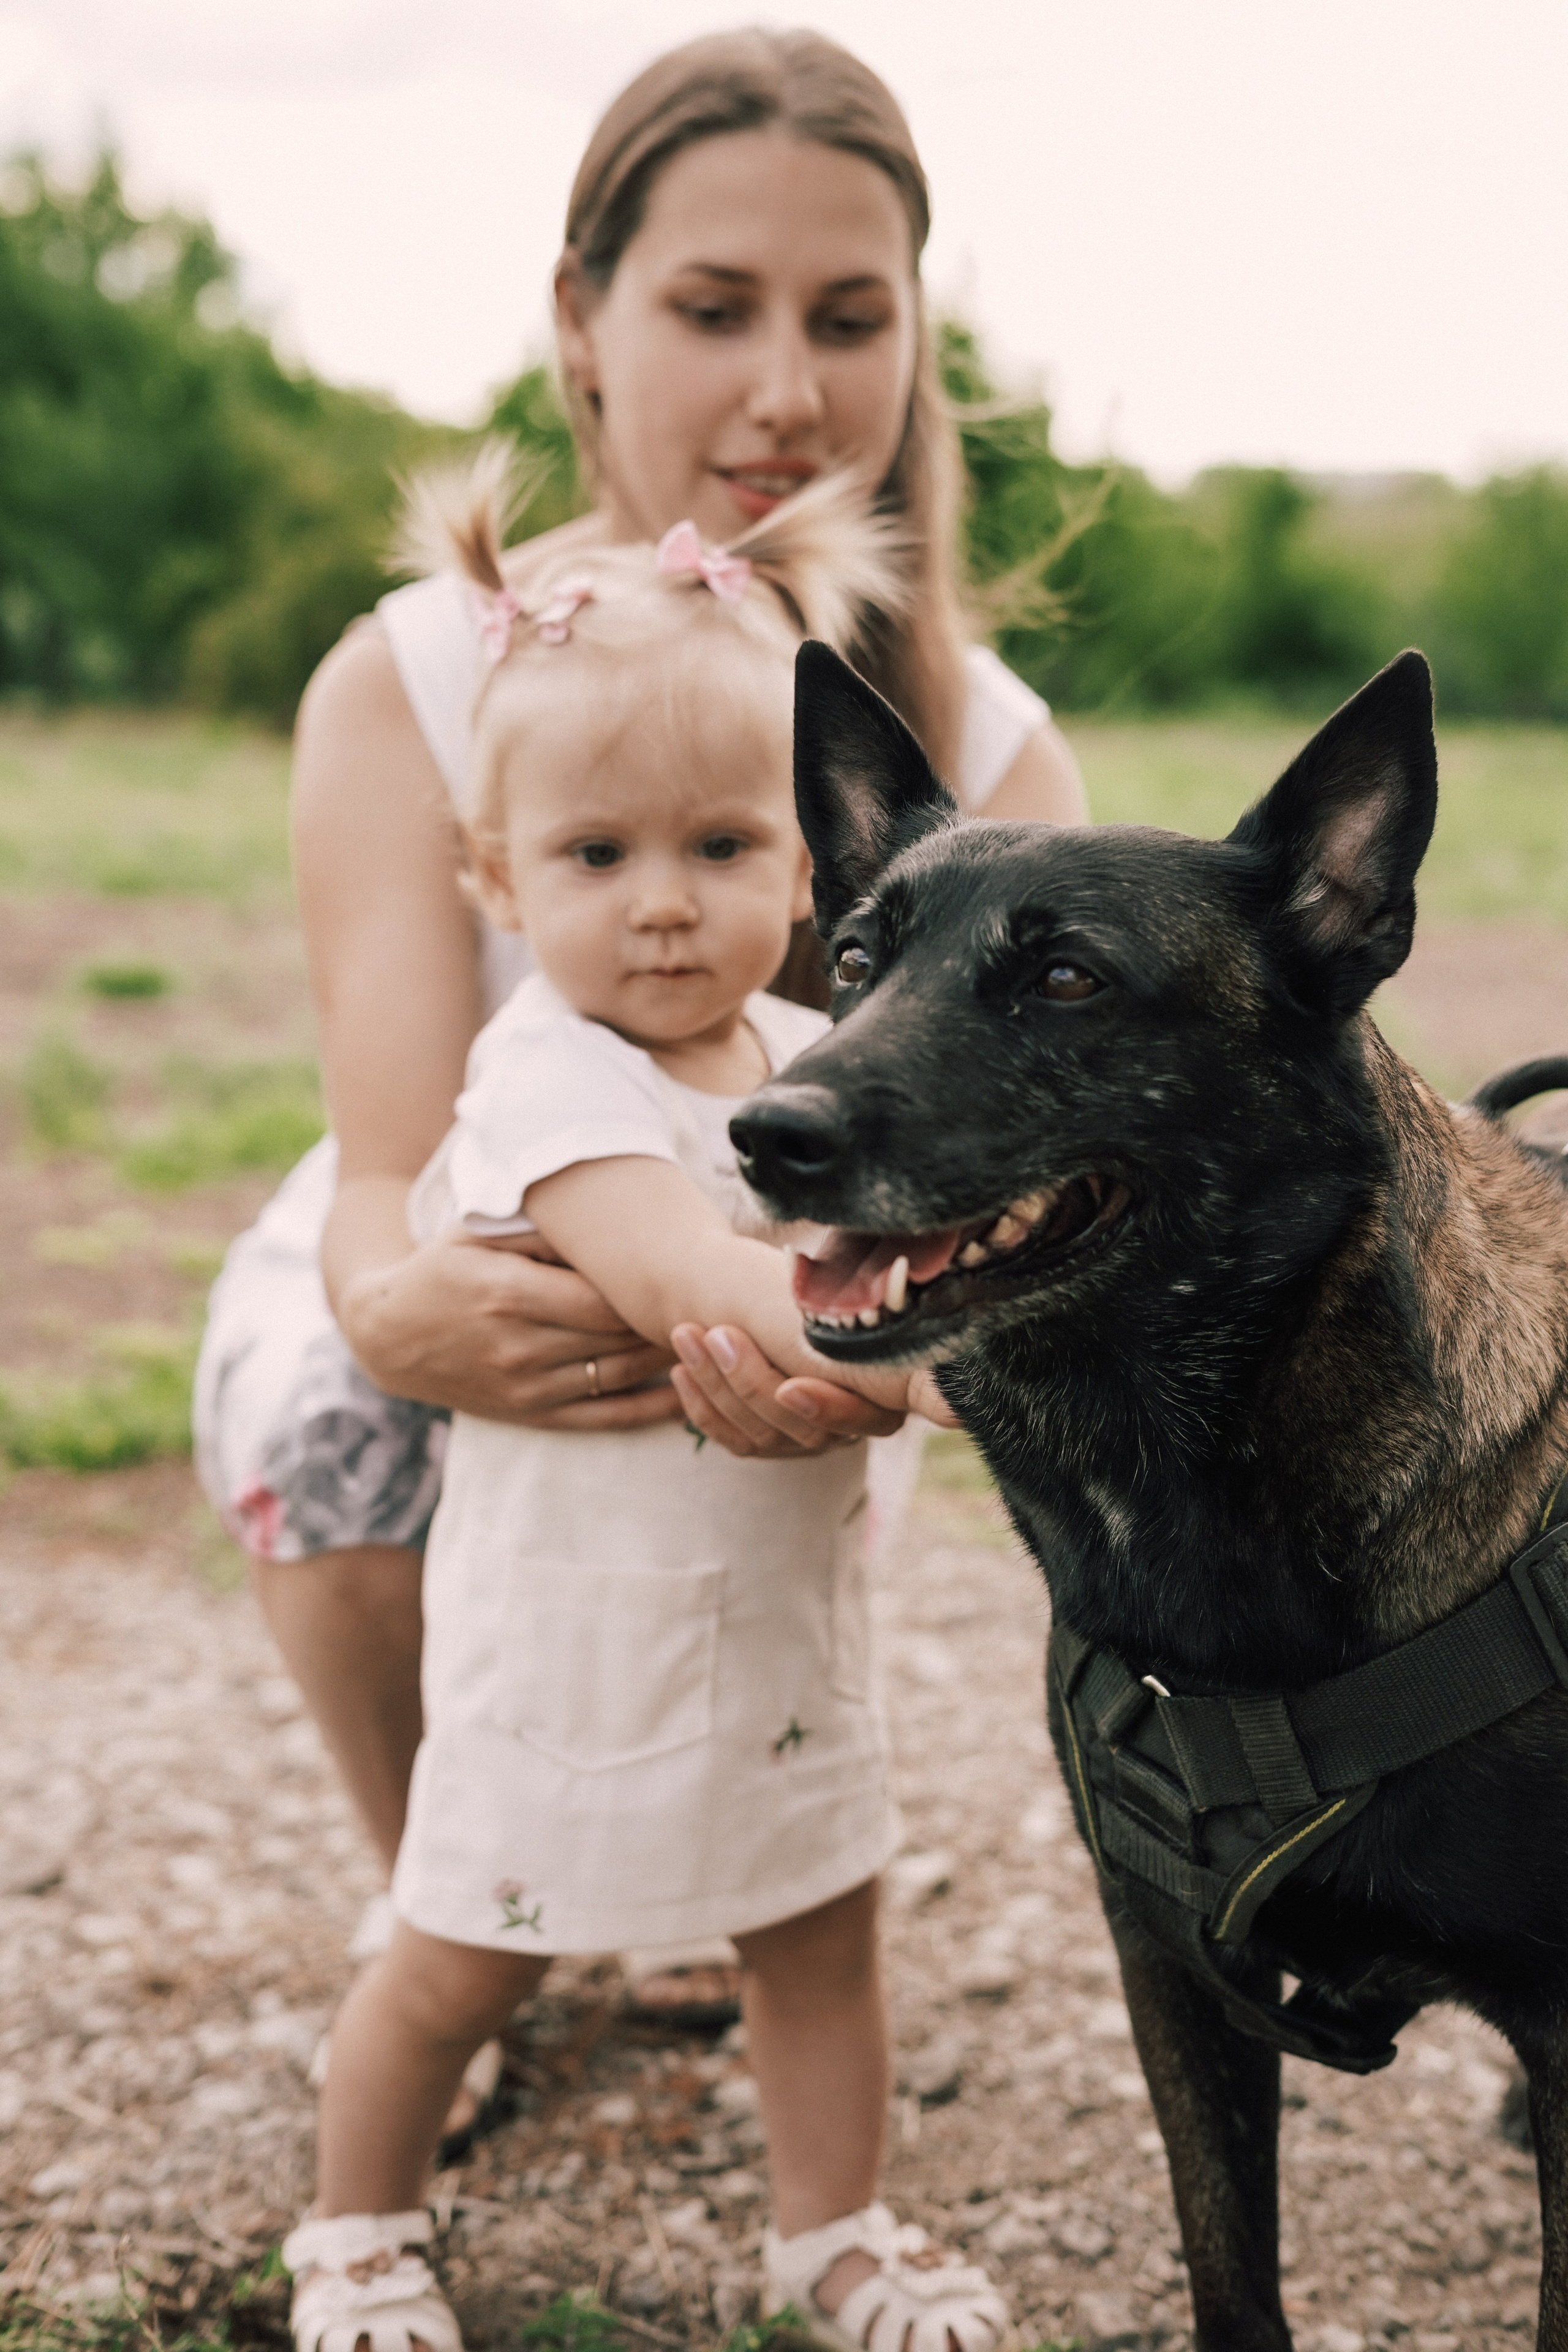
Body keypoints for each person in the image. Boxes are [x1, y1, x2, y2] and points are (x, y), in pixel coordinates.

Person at [192, 23, 1088, 2098]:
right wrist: (399, 1310)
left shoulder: (988, 748)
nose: (787, 388)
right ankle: (455, 1891)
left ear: (915, 339)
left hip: (799, 1256)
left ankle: (732, 1833)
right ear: (582, 324)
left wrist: (883, 1333)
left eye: (847, 318)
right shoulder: (415, 680)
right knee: (330, 1408)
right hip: (480, 1209)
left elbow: (1030, 1182)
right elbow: (383, 1166)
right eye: (714, 308)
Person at [279, 465, 1012, 2352]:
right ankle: (355, 2235)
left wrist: (899, 1354)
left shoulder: (813, 1059)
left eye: (722, 845)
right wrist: (939, 1361)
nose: (667, 907)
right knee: (464, 1957)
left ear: (810, 866)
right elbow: (693, 1273)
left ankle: (829, 2233)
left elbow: (878, 1269)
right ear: (498, 879)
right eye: (597, 856)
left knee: (819, 1929)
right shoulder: (541, 1084)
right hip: (573, 1646)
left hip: (774, 1625)